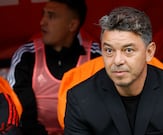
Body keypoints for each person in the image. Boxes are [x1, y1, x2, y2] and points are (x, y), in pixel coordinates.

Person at [64, 6, 163, 135]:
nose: (117, 61)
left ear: (149, 52)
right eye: (109, 50)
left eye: (128, 50)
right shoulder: (80, 99)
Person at [7, 0, 101, 134]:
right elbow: (19, 113)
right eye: (43, 15)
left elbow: (103, 113)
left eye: (51, 16)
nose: (42, 22)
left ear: (72, 25)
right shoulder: (26, 56)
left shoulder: (96, 57)